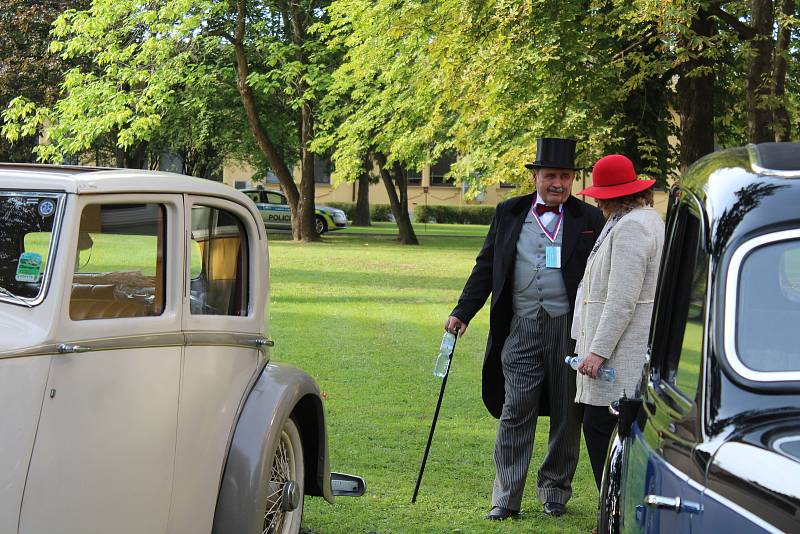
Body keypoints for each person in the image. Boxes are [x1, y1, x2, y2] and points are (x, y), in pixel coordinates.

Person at [445, 137, 605, 520]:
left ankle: (554, 491)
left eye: (566, 177)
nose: (559, 184)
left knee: (568, 413)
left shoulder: (589, 219)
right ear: (536, 176)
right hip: (521, 326)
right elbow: (486, 267)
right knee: (515, 409)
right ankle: (506, 497)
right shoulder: (509, 212)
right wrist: (462, 311)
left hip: (570, 329)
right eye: (551, 175)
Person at [571, 154, 664, 490]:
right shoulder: (635, 220)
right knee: (607, 430)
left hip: (619, 355)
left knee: (603, 430)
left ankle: (615, 517)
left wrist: (597, 351)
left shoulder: (633, 227)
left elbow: (622, 299)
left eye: (599, 194)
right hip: (620, 350)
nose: (595, 199)